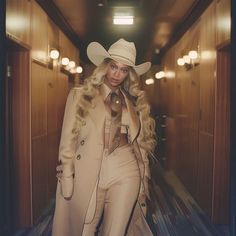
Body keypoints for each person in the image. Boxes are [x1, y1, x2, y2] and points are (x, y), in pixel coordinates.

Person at [52, 38, 156, 236]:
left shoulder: (133, 103)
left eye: (124, 70)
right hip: (90, 167)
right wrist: (66, 173)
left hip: (126, 168)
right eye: (114, 67)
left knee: (116, 231)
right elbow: (68, 140)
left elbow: (140, 144)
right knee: (85, 228)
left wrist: (144, 177)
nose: (118, 74)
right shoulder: (80, 95)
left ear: (129, 74)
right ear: (104, 66)